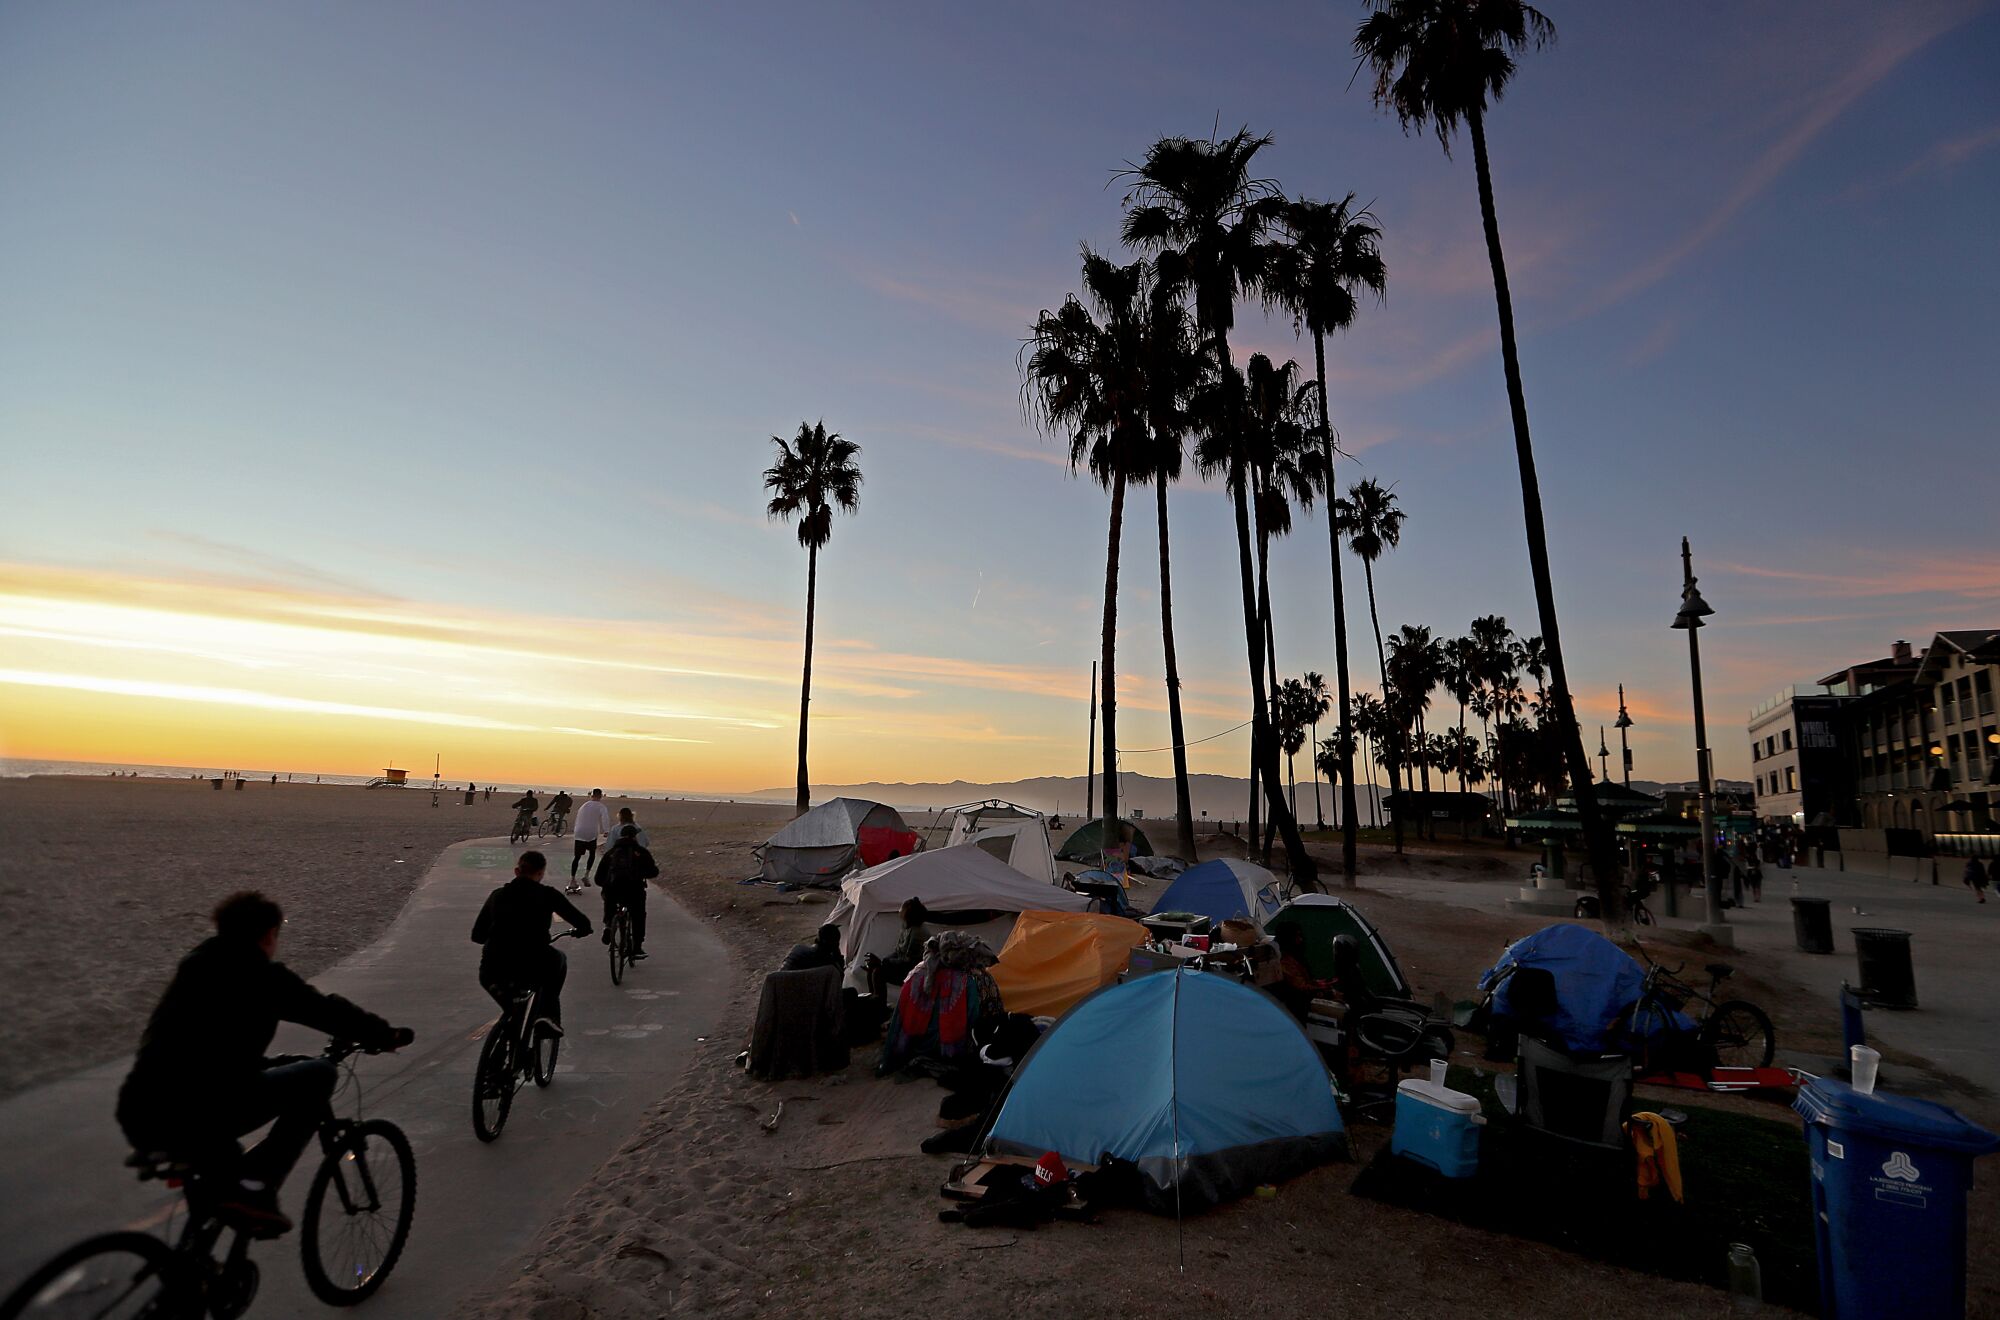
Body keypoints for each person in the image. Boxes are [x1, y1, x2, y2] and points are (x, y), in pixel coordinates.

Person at [116, 892, 414, 1238]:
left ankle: (191, 1274)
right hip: (202, 1112)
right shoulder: (262, 975)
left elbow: (202, 1049)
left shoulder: (196, 963)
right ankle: (256, 1184)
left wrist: (270, 1063)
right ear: (268, 934)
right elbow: (326, 1011)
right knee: (319, 1074)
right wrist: (384, 1035)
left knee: (213, 1192)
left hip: (139, 1111)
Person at [472, 851, 591, 1038]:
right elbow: (582, 922)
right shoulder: (548, 895)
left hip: (492, 970)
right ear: (541, 873)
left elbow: (477, 936)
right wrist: (583, 930)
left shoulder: (497, 895)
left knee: (512, 1011)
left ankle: (500, 1055)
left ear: (516, 871)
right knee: (559, 959)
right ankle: (547, 1015)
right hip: (532, 964)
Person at [597, 824, 660, 958]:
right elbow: (654, 872)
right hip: (634, 891)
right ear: (635, 836)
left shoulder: (611, 853)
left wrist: (607, 884)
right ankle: (637, 947)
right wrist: (641, 874)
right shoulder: (641, 852)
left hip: (613, 891)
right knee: (638, 915)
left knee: (609, 901)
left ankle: (608, 925)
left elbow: (598, 878)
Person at [570, 789, 611, 891]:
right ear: (600, 796)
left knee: (577, 857)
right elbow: (605, 818)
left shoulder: (584, 805)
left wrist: (576, 831)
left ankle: (572, 879)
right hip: (591, 833)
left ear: (591, 795)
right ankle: (586, 875)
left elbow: (578, 818)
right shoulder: (601, 806)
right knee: (592, 854)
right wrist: (606, 831)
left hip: (579, 832)